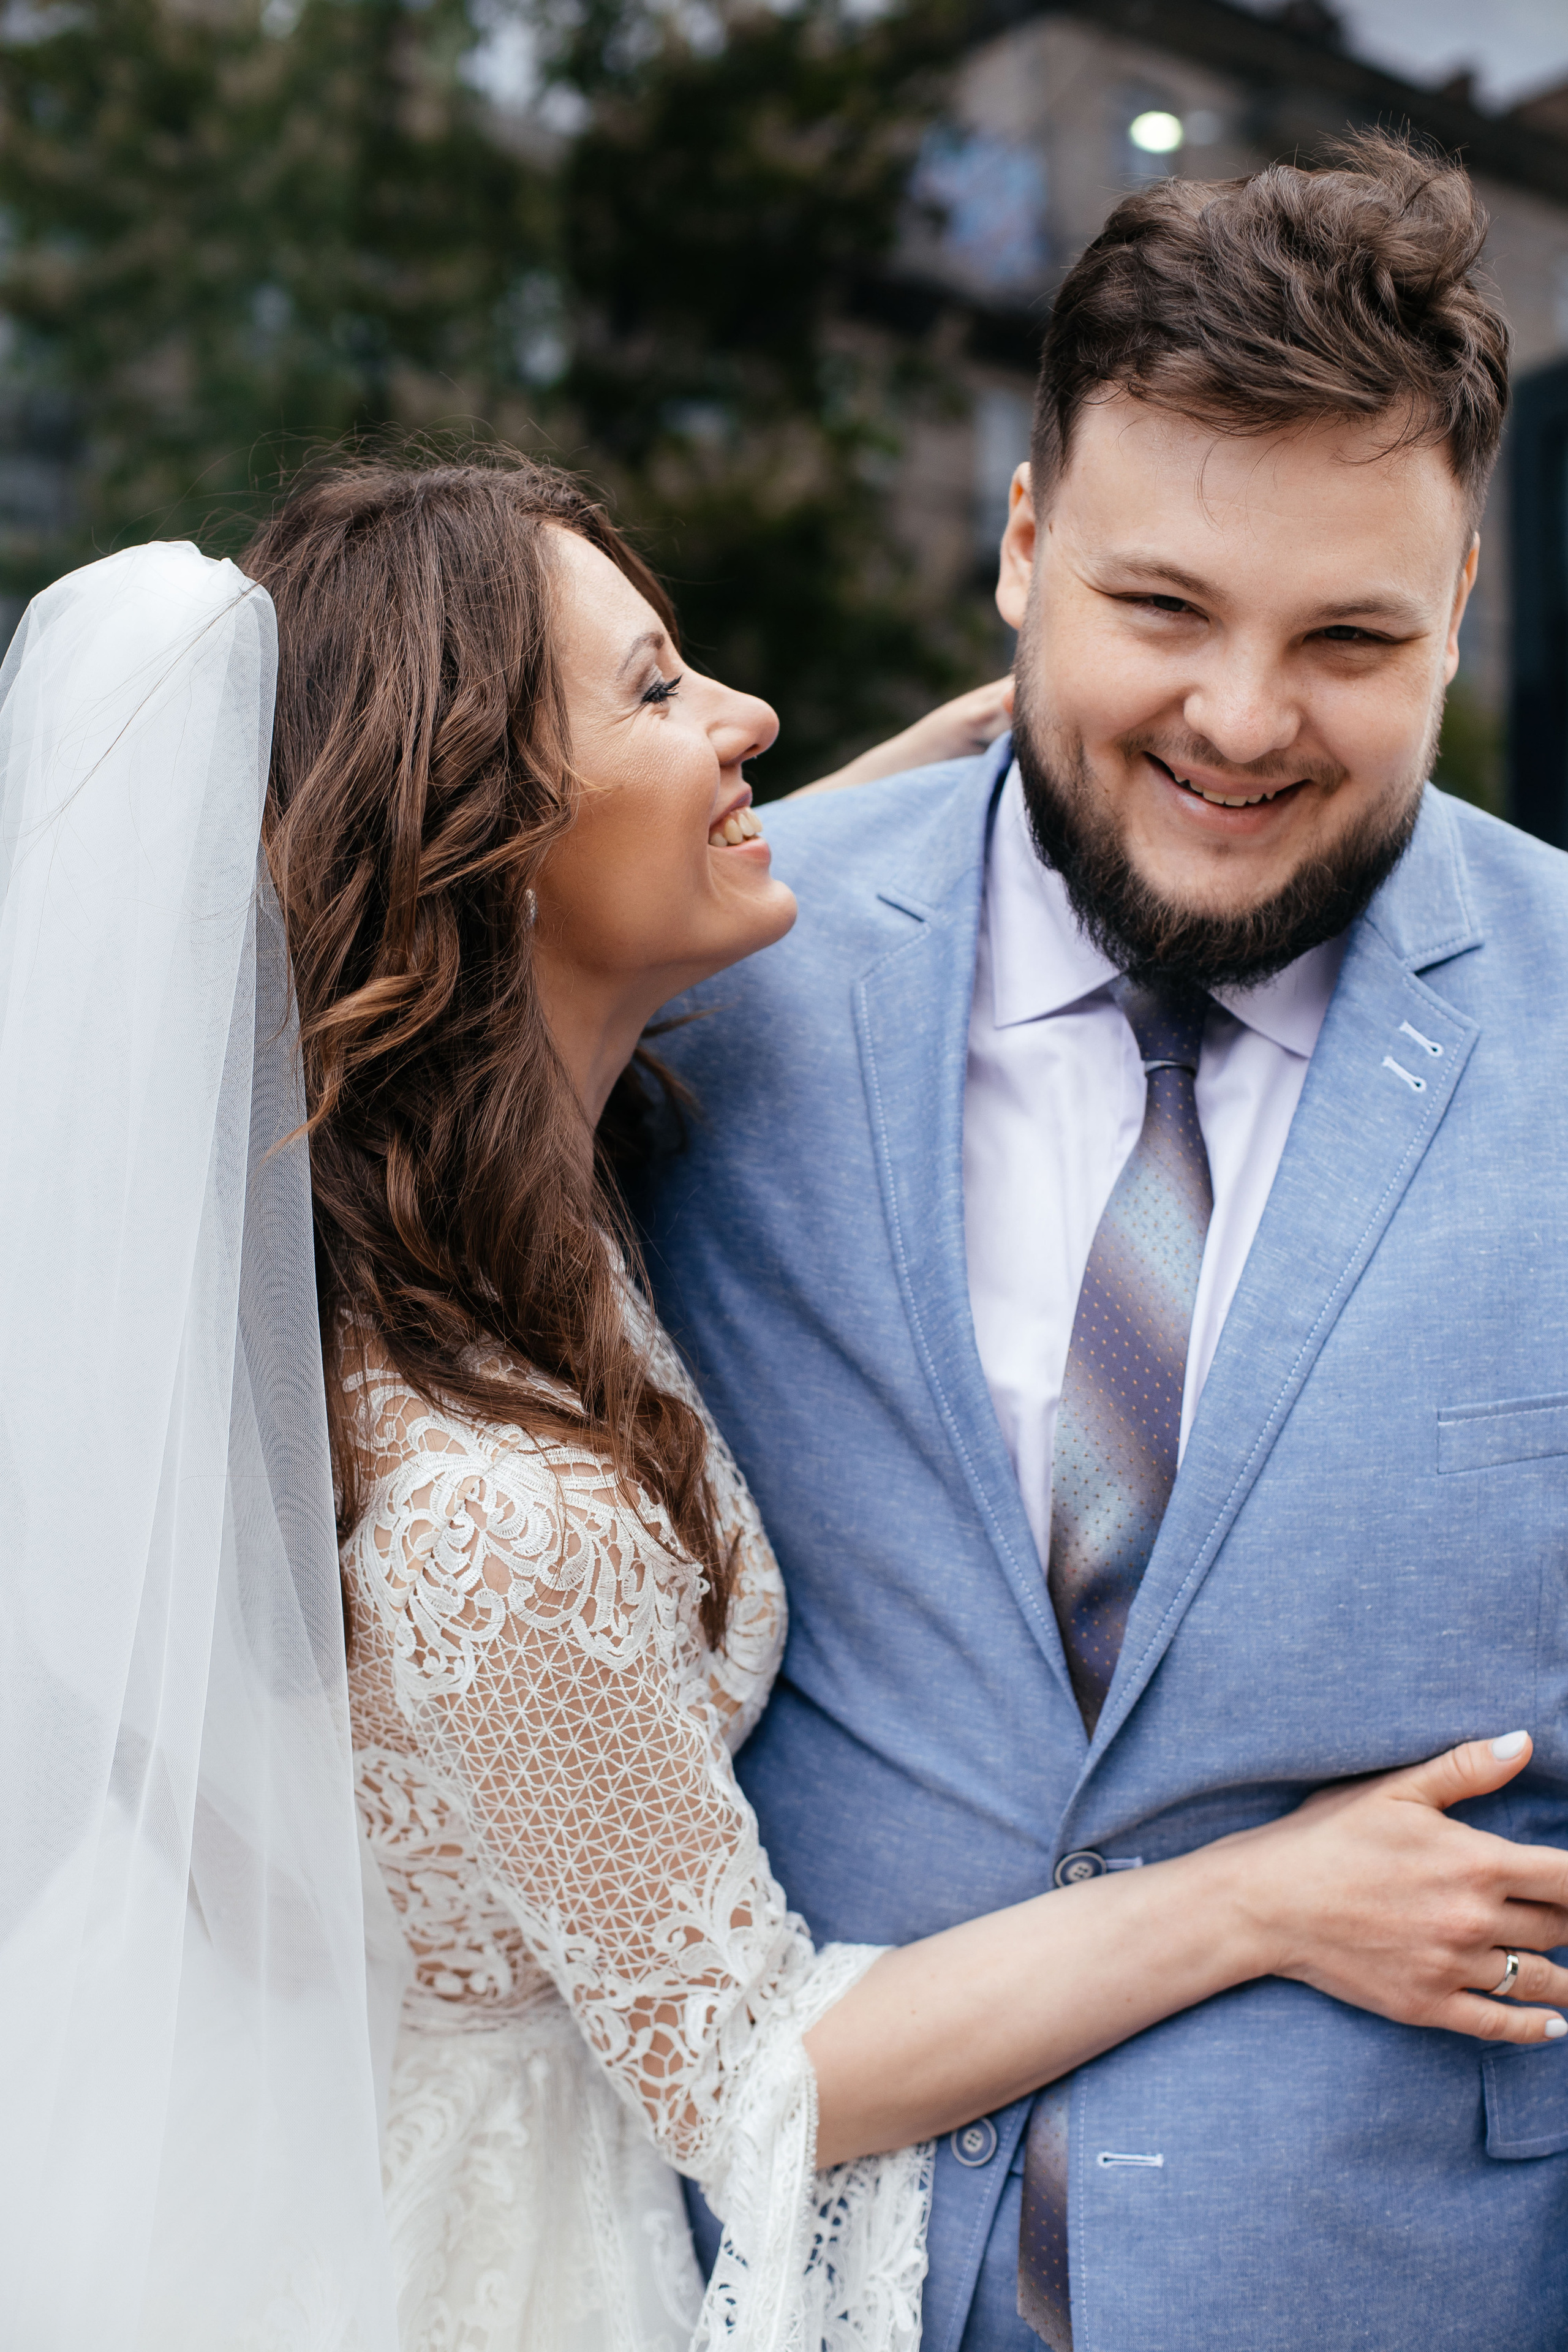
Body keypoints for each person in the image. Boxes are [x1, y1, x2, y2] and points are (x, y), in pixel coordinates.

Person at [2, 447, 1564, 2348]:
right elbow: (756, 2079)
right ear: (484, 834)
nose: (744, 716)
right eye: (659, 689)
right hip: (507, 2263)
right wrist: (1272, 1897)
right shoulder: (496, 1509)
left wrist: (981, 783)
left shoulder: (482, 1204)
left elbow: (599, 917)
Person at [635, 131, 1568, 2351]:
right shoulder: (713, 983)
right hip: (780, 2284)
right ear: (1024, 546)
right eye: (1161, 611)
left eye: (1350, 637)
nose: (1241, 721)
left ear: (1459, 604)